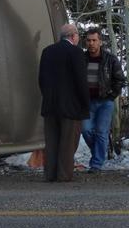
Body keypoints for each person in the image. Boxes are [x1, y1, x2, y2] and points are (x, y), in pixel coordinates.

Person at [38, 23, 90, 182]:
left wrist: (47, 96)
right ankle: (64, 175)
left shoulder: (47, 52)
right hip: (71, 106)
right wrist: (85, 103)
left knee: (52, 141)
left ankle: (50, 174)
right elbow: (81, 80)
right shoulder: (76, 52)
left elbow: (41, 79)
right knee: (67, 142)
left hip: (50, 105)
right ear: (74, 36)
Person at [81, 28, 125, 172]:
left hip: (105, 102)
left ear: (100, 42)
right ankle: (99, 153)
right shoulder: (81, 59)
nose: (91, 43)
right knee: (86, 130)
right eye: (88, 40)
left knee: (101, 131)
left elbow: (119, 79)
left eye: (94, 40)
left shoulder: (110, 59)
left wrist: (111, 96)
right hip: (87, 101)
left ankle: (96, 164)